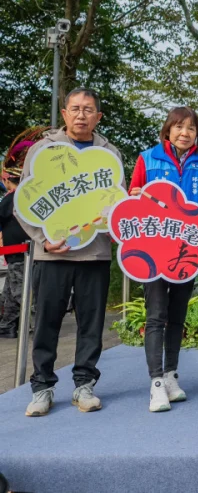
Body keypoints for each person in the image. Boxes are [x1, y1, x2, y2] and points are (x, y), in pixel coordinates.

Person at [20, 88, 124, 417]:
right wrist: (41, 239)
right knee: (47, 322)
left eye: (88, 110)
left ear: (98, 117)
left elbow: (116, 203)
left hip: (94, 254)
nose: (81, 115)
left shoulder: (110, 154)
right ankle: (42, 387)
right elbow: (24, 204)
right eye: (75, 109)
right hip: (51, 253)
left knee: (91, 324)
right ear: (64, 114)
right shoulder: (43, 150)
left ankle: (84, 384)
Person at [129, 107, 198, 412]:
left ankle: (171, 375)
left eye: (191, 128)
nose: (184, 133)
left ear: (196, 134)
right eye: (178, 127)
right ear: (168, 130)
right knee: (156, 315)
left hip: (188, 252)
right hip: (152, 252)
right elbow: (131, 200)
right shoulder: (147, 158)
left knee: (177, 314)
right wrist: (136, 194)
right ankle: (156, 384)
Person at [0, 141, 34, 338]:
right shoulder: (24, 195)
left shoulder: (12, 197)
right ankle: (7, 324)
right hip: (19, 252)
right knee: (11, 291)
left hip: (19, 252)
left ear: (7, 180)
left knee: (20, 291)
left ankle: (33, 323)